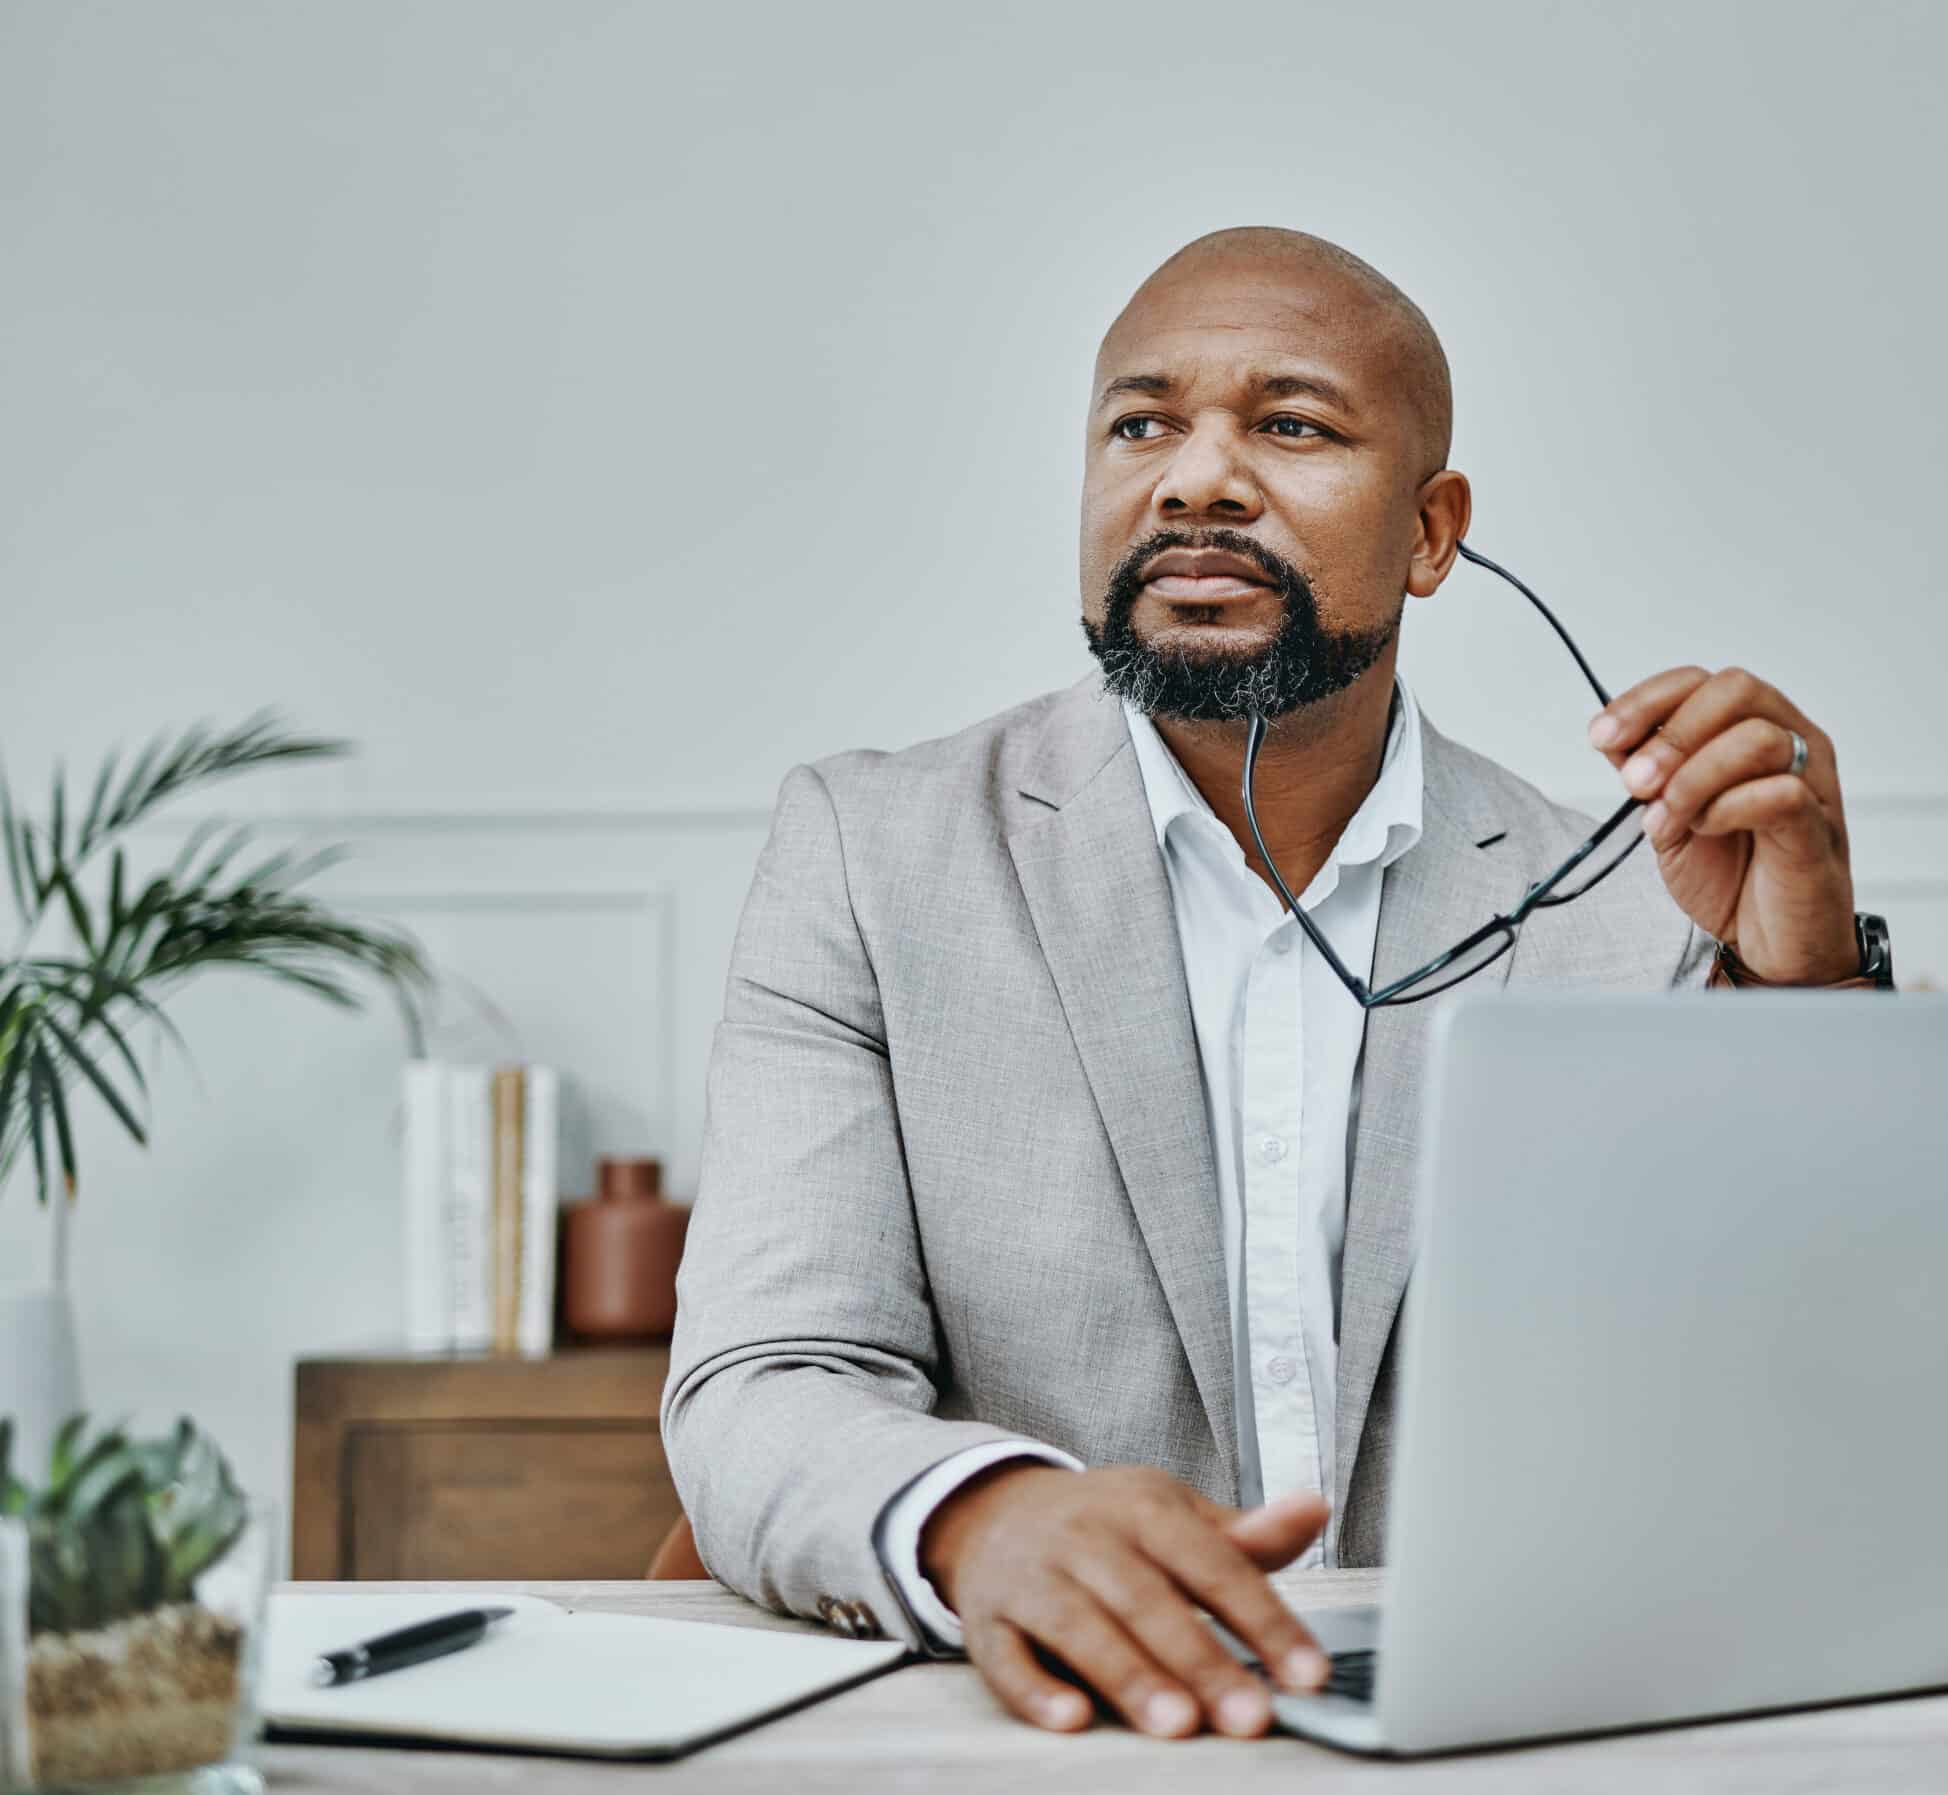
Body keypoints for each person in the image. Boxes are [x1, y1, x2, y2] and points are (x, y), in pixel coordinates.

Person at [662, 225, 1883, 1744]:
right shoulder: (870, 850)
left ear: (1435, 535)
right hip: (1058, 1743)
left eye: (1291, 426)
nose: (1194, 480)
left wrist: (1811, 980)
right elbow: (764, 1382)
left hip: (1529, 1734)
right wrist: (983, 1521)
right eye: (1142, 425)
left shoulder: (1638, 897)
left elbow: (1831, 1398)